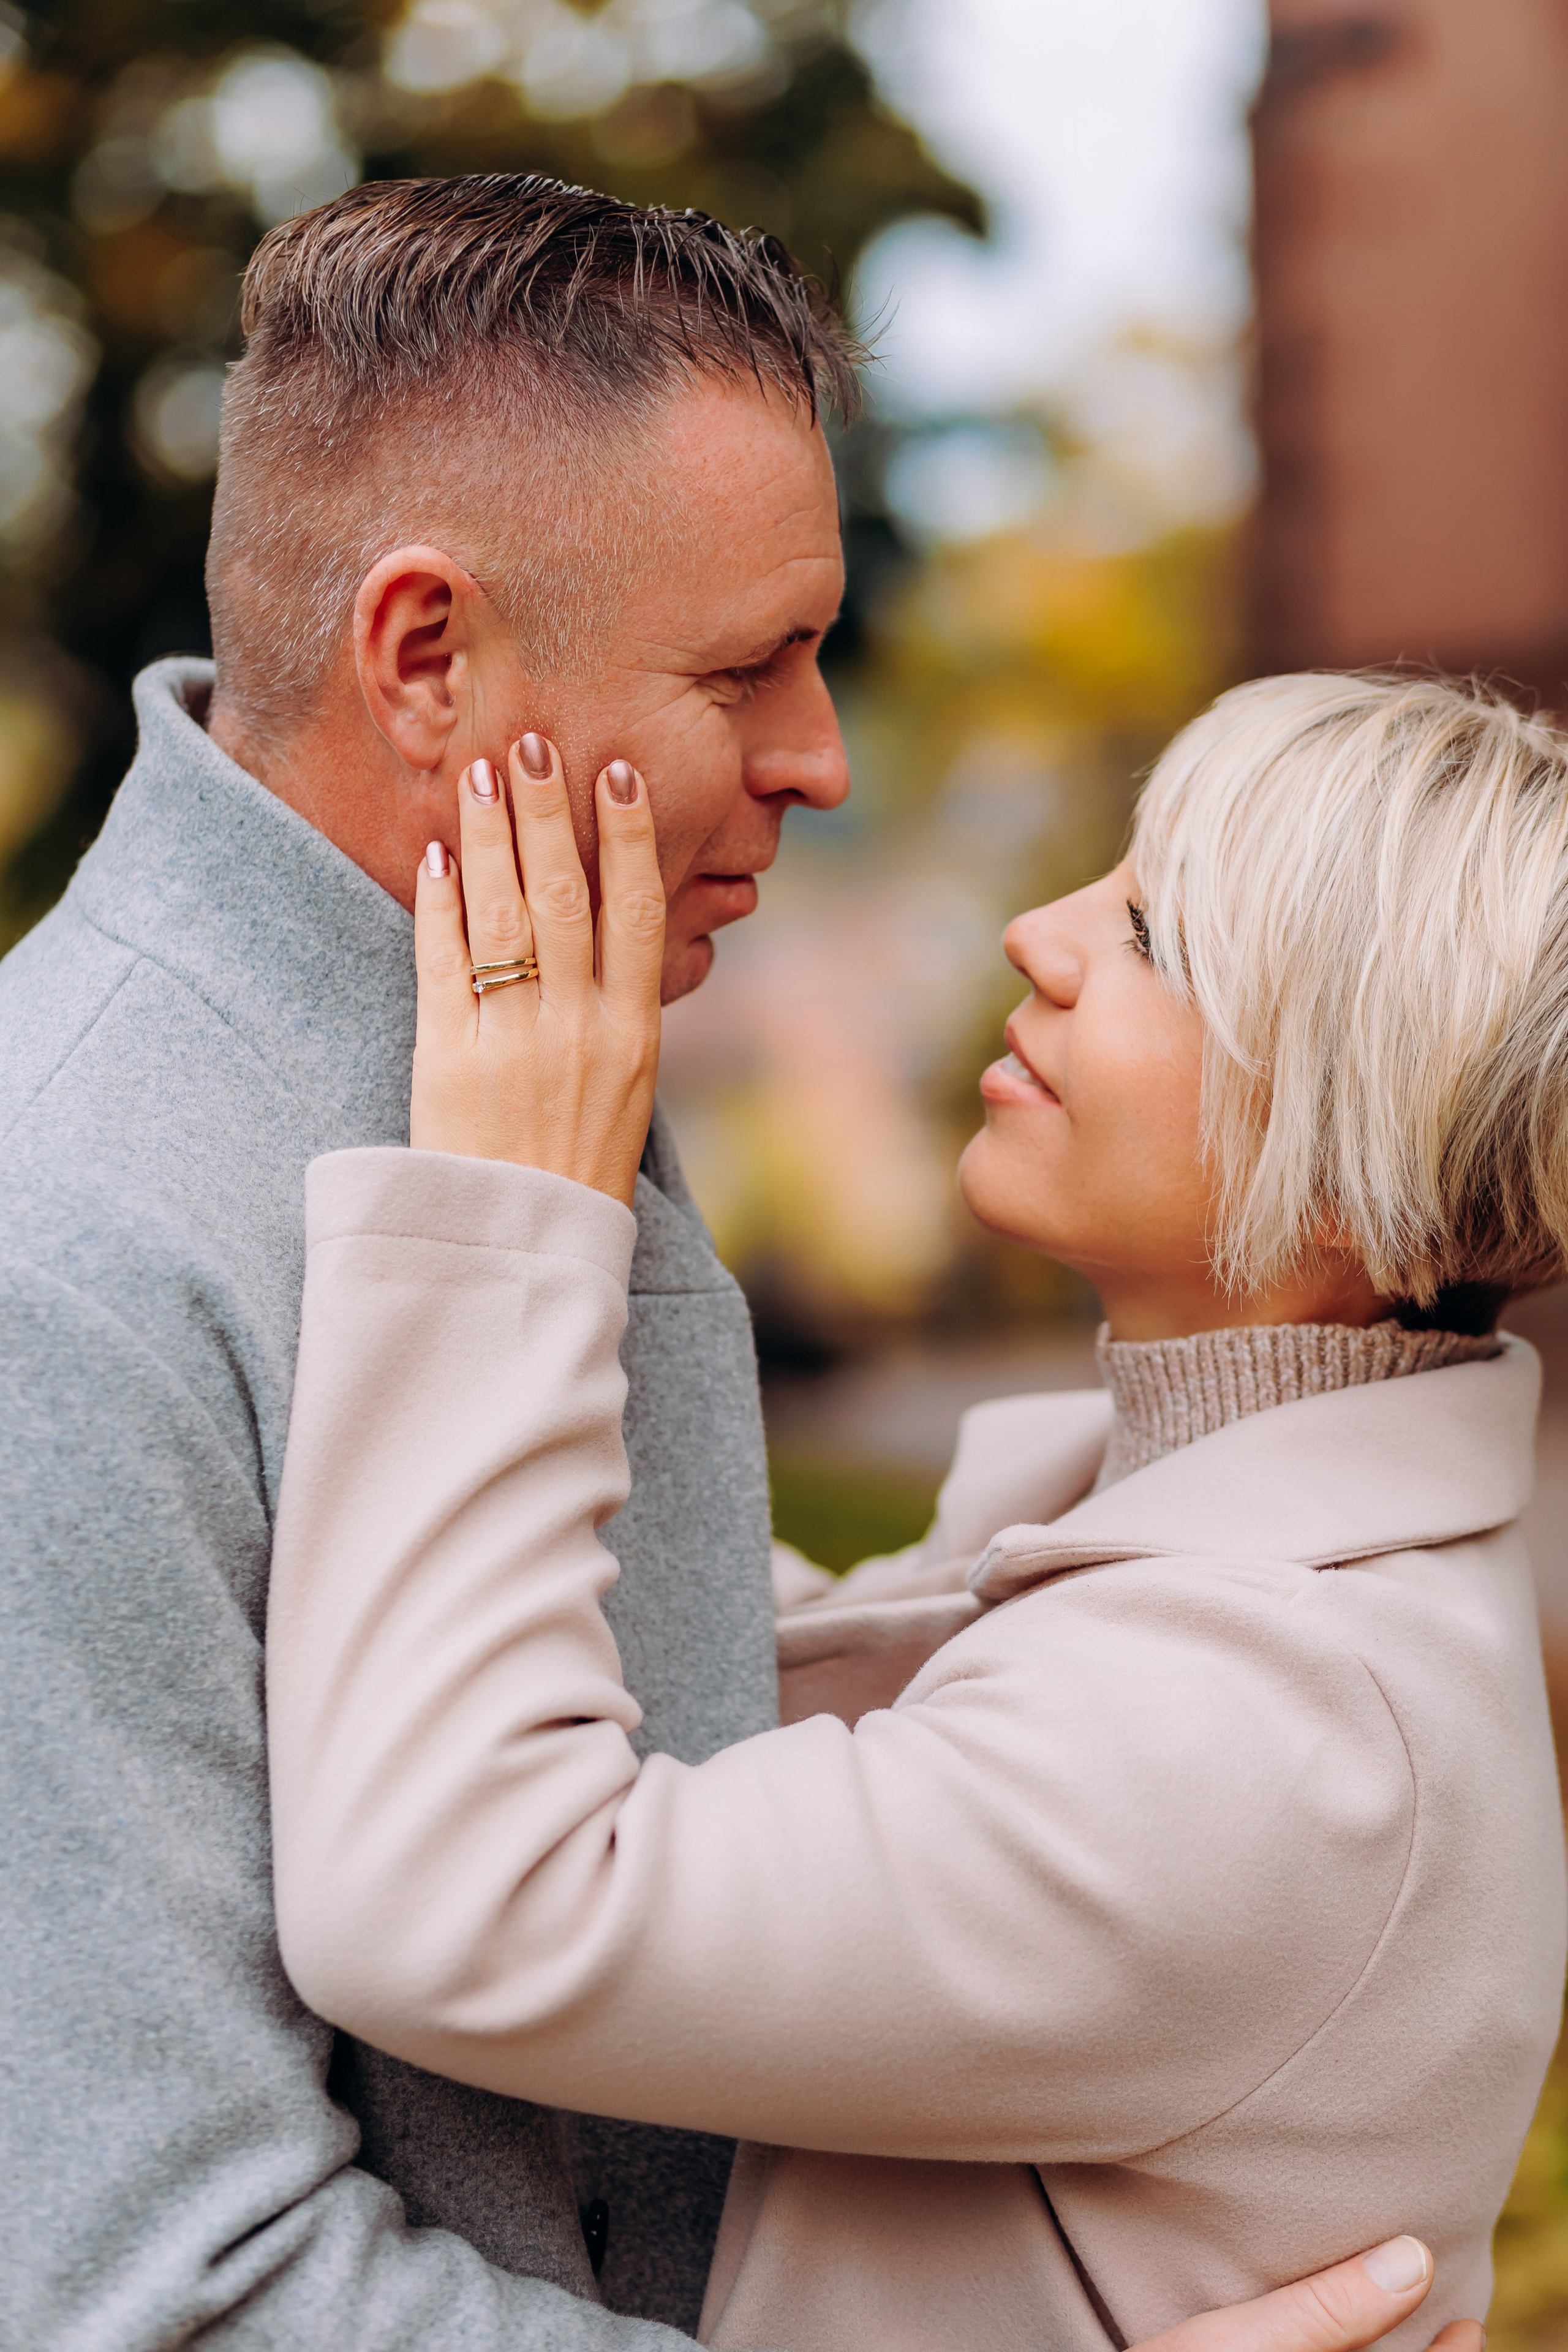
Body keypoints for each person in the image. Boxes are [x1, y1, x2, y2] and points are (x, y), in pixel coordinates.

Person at [0, 163, 1491, 2352]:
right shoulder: (73, 1257)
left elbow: (652, 1683)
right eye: (750, 665)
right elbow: (157, 2293)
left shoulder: (523, 1023)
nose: (823, 756)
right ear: (429, 660)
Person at [265, 672, 1566, 2352]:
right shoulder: (1235, 1584)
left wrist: (509, 1213)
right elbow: (704, 1656)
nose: (1041, 933)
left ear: (1354, 1134)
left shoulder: (1264, 1728)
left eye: (1163, 939)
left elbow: (461, 1898)